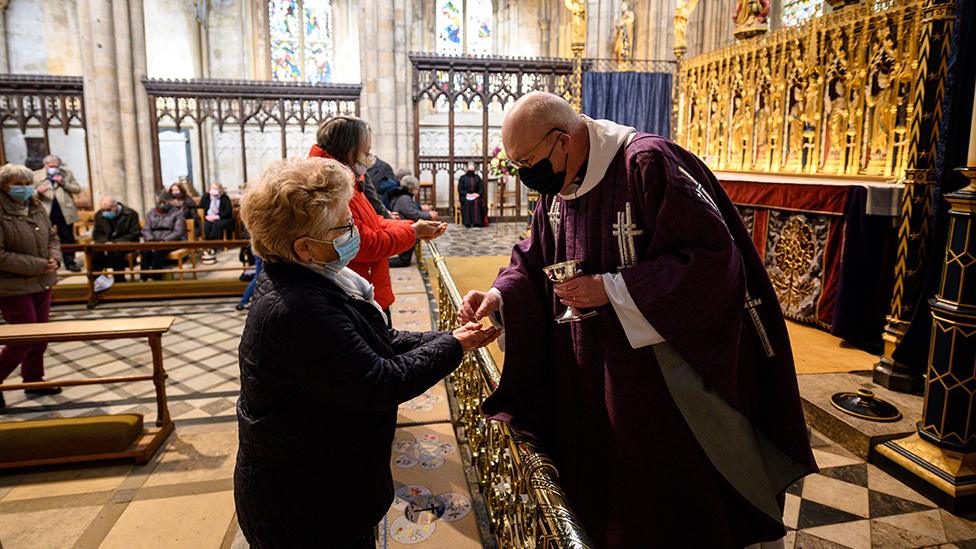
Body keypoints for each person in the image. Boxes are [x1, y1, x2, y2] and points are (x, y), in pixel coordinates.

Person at [458, 92, 817, 548]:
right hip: (587, 369)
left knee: (664, 498)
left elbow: (712, 261)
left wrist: (610, 289)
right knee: (605, 486)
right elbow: (532, 260)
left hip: (657, 381)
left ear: (563, 140)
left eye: (528, 161)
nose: (527, 175)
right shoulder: (558, 186)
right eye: (516, 165)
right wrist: (496, 295)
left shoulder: (646, 164)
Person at [234, 156, 498, 548]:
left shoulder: (312, 279)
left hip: (326, 483)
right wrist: (453, 345)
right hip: (304, 505)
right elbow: (378, 381)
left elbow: (374, 342)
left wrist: (445, 337)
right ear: (305, 247)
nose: (355, 229)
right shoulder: (298, 308)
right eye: (344, 225)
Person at [309, 116, 446, 325]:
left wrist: (412, 226)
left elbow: (374, 221)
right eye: (365, 152)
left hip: (367, 289)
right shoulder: (332, 189)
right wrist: (414, 232)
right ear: (348, 151)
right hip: (355, 297)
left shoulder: (348, 180)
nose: (368, 158)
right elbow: (365, 243)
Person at [0, 164, 62, 412]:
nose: (24, 189)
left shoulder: (35, 205)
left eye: (27, 184)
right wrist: (39, 265)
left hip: (41, 281)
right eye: (18, 184)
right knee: (22, 339)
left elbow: (52, 237)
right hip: (12, 286)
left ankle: (34, 379)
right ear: (4, 187)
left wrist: (54, 259)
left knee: (40, 337)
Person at [32, 154, 82, 272]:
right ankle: (47, 262)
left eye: (56, 166)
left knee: (68, 238)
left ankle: (70, 262)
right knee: (45, 237)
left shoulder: (67, 173)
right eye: (51, 166)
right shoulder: (36, 175)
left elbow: (77, 189)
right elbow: (29, 192)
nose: (54, 168)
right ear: (45, 165)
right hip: (45, 211)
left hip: (64, 211)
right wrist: (37, 191)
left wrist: (64, 183)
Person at [387, 176, 437, 268]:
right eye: (417, 188)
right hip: (404, 230)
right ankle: (382, 263)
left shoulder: (404, 196)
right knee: (404, 260)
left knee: (405, 258)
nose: (417, 190)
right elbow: (413, 214)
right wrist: (429, 215)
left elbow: (412, 209)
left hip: (405, 227)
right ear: (412, 188)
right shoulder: (404, 198)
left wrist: (425, 212)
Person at [91, 196, 140, 287]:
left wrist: (114, 243)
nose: (105, 212)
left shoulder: (131, 214)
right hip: (105, 244)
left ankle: (119, 280)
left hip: (124, 243)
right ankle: (97, 281)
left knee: (115, 251)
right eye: (103, 210)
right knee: (95, 252)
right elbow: (96, 234)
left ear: (115, 206)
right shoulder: (99, 215)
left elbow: (134, 234)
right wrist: (105, 242)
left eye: (108, 209)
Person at [140, 192, 187, 281]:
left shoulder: (177, 213)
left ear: (169, 202)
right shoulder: (151, 213)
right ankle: (144, 277)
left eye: (163, 202)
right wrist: (150, 239)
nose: (161, 204)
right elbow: (146, 229)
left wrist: (164, 240)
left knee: (159, 250)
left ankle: (155, 277)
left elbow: (178, 231)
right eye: (159, 202)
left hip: (170, 240)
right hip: (153, 239)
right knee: (145, 251)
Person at [200, 182, 233, 260]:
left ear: (220, 190)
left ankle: (212, 246)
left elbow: (228, 211)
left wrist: (217, 216)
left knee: (216, 224)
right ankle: (209, 246)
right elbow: (200, 208)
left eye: (215, 189)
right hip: (208, 217)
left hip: (221, 218)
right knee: (206, 225)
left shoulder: (224, 198)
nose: (213, 190)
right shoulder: (206, 197)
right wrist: (206, 216)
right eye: (212, 188)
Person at [458, 161, 487, 228]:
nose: (471, 170)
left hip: (476, 196)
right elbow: (460, 189)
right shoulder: (463, 178)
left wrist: (477, 194)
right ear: (467, 169)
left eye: (472, 169)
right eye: (469, 169)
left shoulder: (478, 178)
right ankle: (467, 223)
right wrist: (467, 194)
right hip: (466, 196)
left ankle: (477, 222)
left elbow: (481, 189)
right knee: (467, 203)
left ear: (474, 169)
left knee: (477, 202)